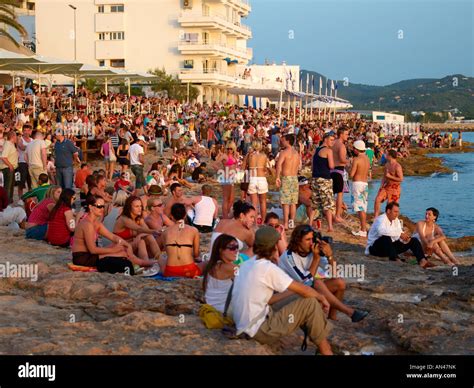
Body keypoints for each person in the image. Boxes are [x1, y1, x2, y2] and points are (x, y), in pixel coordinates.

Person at [230, 227, 333, 355]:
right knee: (310, 303)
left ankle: (319, 340)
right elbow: (306, 289)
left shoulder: (248, 264)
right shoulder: (268, 268)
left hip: (244, 325)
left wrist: (296, 292)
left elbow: (269, 299)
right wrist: (322, 298)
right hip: (260, 330)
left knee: (302, 297)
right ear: (274, 248)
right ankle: (326, 350)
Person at [279, 225, 369, 322]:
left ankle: (332, 318)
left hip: (305, 291)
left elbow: (335, 274)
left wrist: (330, 256)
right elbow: (306, 282)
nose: (311, 243)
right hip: (288, 297)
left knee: (339, 283)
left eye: (312, 239)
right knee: (317, 283)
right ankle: (349, 312)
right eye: (307, 240)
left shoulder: (312, 251)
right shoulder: (288, 257)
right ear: (297, 241)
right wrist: (316, 258)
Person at [72, 195, 140, 275]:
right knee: (121, 253)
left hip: (90, 254)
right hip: (83, 257)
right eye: (99, 206)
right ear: (90, 207)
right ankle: (139, 265)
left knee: (122, 249)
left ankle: (138, 265)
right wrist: (113, 250)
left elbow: (112, 237)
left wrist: (127, 244)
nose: (102, 209)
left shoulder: (96, 223)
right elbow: (92, 250)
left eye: (103, 206)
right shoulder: (88, 224)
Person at [366, 202, 435, 269]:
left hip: (389, 248)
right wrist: (399, 234)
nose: (397, 214)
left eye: (398, 212)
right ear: (388, 211)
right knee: (386, 238)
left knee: (413, 240)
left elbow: (398, 234)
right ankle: (395, 259)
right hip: (375, 248)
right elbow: (381, 231)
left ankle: (422, 260)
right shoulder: (381, 219)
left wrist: (405, 239)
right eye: (395, 212)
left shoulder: (396, 220)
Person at [161, 203, 205, 278]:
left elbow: (167, 252)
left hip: (170, 271)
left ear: (171, 216)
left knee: (161, 260)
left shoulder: (165, 232)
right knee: (206, 263)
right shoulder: (193, 230)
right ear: (185, 215)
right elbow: (196, 254)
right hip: (189, 270)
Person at [113, 195, 160, 262]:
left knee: (149, 236)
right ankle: (146, 264)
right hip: (121, 247)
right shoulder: (124, 219)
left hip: (131, 247)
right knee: (141, 242)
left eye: (140, 206)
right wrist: (154, 231)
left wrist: (140, 235)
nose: (140, 208)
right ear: (129, 208)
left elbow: (147, 231)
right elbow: (139, 229)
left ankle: (159, 258)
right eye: (136, 206)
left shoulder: (138, 219)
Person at [202, 234, 239, 313]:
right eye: (232, 247)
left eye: (237, 247)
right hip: (223, 311)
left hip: (211, 308)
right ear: (221, 250)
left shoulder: (212, 264)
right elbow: (249, 274)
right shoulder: (228, 268)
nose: (236, 250)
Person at [311, 131, 336, 232]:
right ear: (326, 139)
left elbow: (312, 166)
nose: (332, 142)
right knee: (328, 203)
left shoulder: (317, 150)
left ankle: (310, 224)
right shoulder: (328, 151)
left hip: (315, 178)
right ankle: (330, 226)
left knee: (315, 203)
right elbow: (331, 166)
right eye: (331, 140)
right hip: (325, 179)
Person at [275, 134, 301, 230]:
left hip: (286, 178)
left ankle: (286, 223)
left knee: (285, 202)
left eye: (283, 140)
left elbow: (279, 165)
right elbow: (299, 166)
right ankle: (291, 222)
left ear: (288, 141)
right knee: (293, 202)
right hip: (294, 178)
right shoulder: (296, 153)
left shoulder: (284, 152)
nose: (282, 142)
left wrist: (277, 177)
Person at [245, 139, 270, 224]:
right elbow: (265, 168)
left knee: (254, 203)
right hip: (261, 178)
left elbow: (243, 167)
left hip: (252, 179)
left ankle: (254, 222)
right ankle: (263, 221)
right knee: (263, 202)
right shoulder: (263, 156)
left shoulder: (249, 155)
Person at [374, 149, 403, 218]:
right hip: (386, 186)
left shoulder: (397, 166)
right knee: (378, 199)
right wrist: (381, 185)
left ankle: (391, 219)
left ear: (390, 156)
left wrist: (390, 176)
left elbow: (401, 179)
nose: (385, 155)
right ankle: (376, 217)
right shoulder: (387, 164)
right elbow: (384, 176)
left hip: (395, 188)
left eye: (387, 154)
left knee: (391, 206)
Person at [349, 140, 370, 237]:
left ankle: (363, 230)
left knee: (359, 208)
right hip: (365, 184)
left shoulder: (356, 159)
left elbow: (351, 174)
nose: (353, 150)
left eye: (354, 148)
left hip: (357, 184)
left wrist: (348, 166)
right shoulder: (367, 159)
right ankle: (363, 229)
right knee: (363, 207)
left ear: (357, 149)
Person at [331, 127, 349, 223]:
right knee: (340, 194)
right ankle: (337, 215)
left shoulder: (332, 143)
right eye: (346, 134)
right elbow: (342, 159)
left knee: (331, 194)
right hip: (339, 170)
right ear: (341, 134)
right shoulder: (341, 145)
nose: (347, 136)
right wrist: (349, 161)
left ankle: (330, 214)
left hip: (331, 170)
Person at [219, 141, 238, 219]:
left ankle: (226, 214)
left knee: (231, 199)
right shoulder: (224, 156)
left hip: (232, 178)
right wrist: (222, 171)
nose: (229, 150)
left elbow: (235, 166)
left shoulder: (234, 156)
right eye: (228, 148)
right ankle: (225, 216)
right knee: (226, 199)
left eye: (231, 148)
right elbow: (214, 164)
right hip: (226, 178)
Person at [0, 131, 18, 203]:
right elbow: (3, 157)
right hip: (8, 168)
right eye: (16, 136)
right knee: (7, 186)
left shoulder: (11, 144)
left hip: (10, 168)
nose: (17, 138)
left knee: (10, 186)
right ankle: (6, 202)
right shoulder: (8, 144)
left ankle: (9, 200)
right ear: (13, 136)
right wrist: (10, 165)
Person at [16, 124, 33, 198]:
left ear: (30, 131)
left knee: (30, 182)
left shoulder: (32, 140)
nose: (26, 132)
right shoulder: (19, 139)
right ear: (22, 131)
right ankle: (20, 198)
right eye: (24, 130)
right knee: (21, 182)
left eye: (28, 130)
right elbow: (22, 147)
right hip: (22, 162)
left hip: (30, 163)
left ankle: (30, 198)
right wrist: (32, 146)